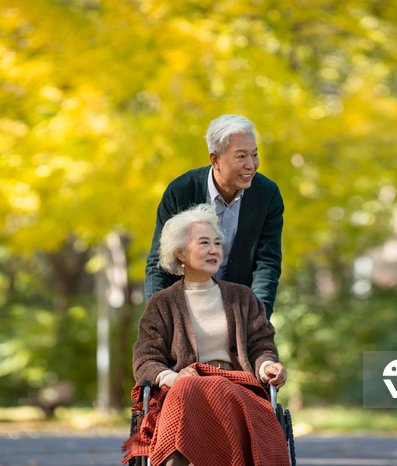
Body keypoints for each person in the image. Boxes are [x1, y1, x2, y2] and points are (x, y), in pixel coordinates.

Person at [124, 204, 289, 466]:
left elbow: (261, 345)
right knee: (189, 386)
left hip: (237, 387)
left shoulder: (243, 298)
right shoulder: (161, 304)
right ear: (181, 253)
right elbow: (145, 360)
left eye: (217, 243)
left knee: (199, 387)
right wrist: (174, 377)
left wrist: (268, 366)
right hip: (184, 391)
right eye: (203, 243)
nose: (214, 250)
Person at [144, 114, 284, 319]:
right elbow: (159, 262)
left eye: (254, 154)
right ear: (215, 159)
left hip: (239, 308)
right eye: (241, 156)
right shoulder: (181, 191)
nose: (251, 164)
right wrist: (161, 319)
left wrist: (257, 319)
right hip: (185, 306)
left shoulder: (267, 195)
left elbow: (267, 263)